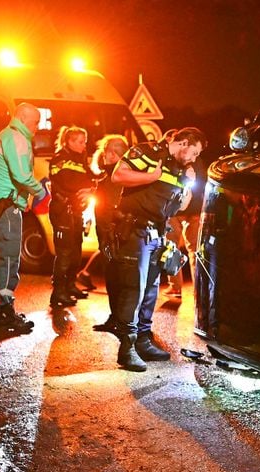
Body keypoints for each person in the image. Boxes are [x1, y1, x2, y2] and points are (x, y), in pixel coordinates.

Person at [108, 127, 207, 371]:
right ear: (183, 143)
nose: (194, 158)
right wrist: (150, 177)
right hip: (135, 230)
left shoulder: (180, 168)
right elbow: (118, 176)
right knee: (134, 289)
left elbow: (181, 206)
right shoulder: (147, 152)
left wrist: (189, 183)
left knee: (151, 289)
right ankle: (126, 348)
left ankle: (143, 340)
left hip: (157, 232)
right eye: (193, 152)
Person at [0, 103, 47, 333]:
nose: (38, 127)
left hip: (5, 205)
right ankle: (4, 313)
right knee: (9, 260)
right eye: (36, 121)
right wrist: (40, 193)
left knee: (7, 259)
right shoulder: (16, 137)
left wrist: (23, 201)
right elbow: (21, 174)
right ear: (22, 117)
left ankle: (4, 310)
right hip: (4, 207)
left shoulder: (10, 135)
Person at [77, 134, 129, 333]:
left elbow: (115, 205)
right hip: (109, 234)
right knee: (113, 279)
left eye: (106, 153)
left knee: (117, 279)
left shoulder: (119, 174)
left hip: (114, 236)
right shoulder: (114, 173)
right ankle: (116, 318)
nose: (104, 156)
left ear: (111, 153)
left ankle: (120, 320)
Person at [47, 126, 95, 308]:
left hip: (75, 211)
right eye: (81, 142)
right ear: (70, 142)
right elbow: (69, 182)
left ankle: (70, 286)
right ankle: (58, 292)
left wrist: (94, 185)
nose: (84, 145)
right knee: (65, 253)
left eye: (85, 141)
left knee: (76, 251)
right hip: (63, 210)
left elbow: (90, 177)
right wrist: (88, 186)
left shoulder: (80, 159)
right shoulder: (60, 159)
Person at [164, 154, 206, 299]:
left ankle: (175, 287)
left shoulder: (174, 159)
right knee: (195, 251)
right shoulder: (198, 161)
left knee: (172, 248)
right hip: (195, 209)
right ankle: (198, 290)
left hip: (176, 210)